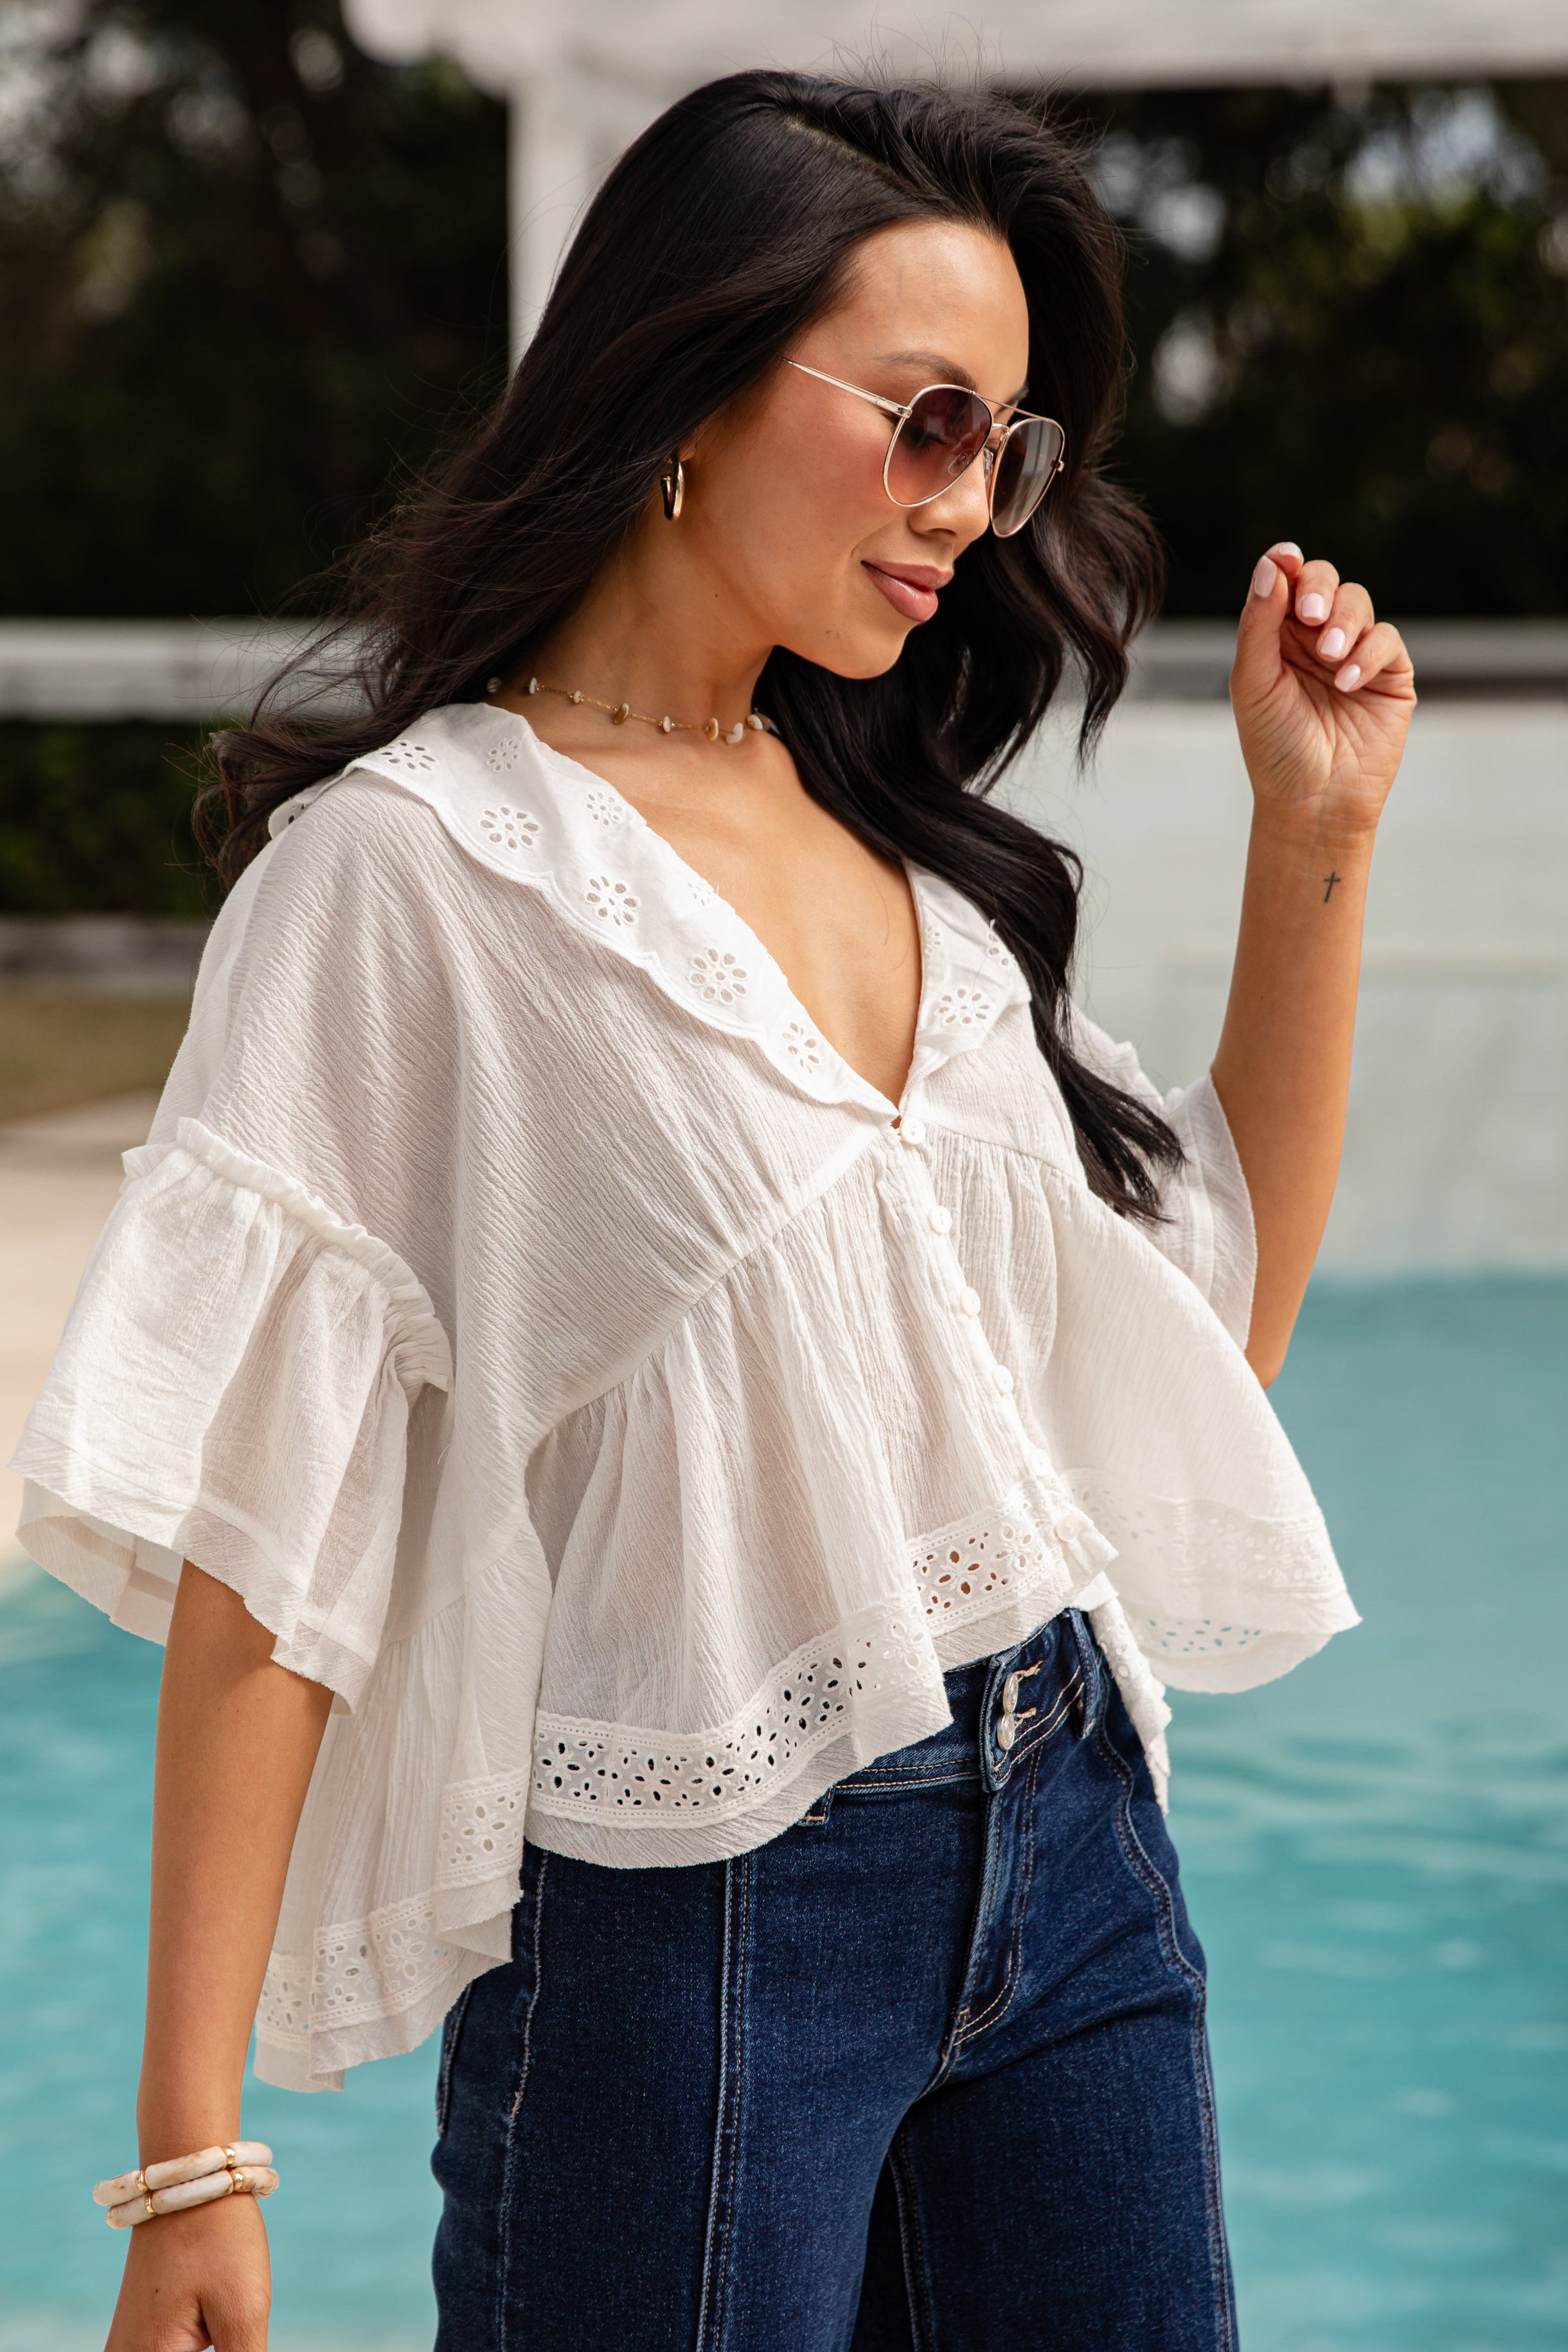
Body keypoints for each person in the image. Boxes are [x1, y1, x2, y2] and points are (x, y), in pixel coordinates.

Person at [13, 69, 1414, 2352]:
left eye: (1008, 448)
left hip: (1074, 1852)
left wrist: (1319, 833)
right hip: (692, 1919)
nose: (969, 502)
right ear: (693, 372)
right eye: (927, 419)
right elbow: (275, 1541)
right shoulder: (407, 877)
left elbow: (1202, 1346)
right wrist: (190, 2153)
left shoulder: (907, 853)